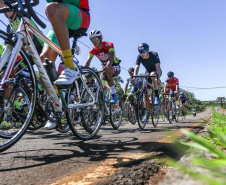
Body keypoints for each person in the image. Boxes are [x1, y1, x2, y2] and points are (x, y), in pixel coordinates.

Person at [41, 0, 90, 86]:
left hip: (81, 14)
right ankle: (54, 95)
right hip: (62, 19)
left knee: (52, 9)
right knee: (45, 58)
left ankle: (69, 65)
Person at [84, 30, 121, 104]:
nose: (93, 41)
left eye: (95, 38)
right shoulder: (92, 49)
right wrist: (82, 69)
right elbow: (88, 61)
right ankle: (104, 101)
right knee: (100, 83)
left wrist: (108, 65)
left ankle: (114, 93)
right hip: (105, 68)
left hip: (114, 66)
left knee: (107, 70)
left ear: (100, 37)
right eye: (91, 39)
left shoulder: (108, 44)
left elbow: (111, 57)